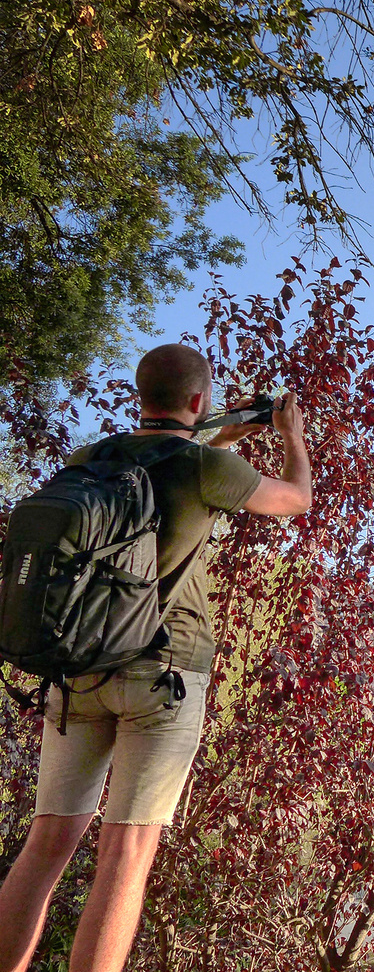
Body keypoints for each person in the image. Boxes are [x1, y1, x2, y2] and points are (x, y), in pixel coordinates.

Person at [0, 344, 312, 972]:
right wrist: (289, 435)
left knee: (47, 843)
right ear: (198, 401)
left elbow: (172, 459)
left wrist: (226, 430)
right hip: (164, 676)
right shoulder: (205, 468)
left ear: (140, 396)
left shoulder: (92, 458)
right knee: (127, 851)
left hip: (78, 670)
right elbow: (295, 499)